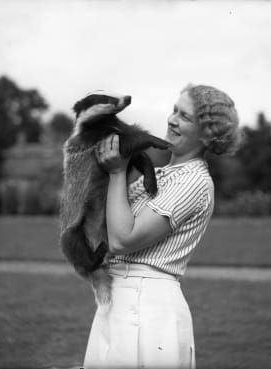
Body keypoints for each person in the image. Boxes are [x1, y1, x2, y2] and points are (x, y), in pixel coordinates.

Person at [84, 84, 242, 369]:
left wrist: (118, 172)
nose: (171, 119)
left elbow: (122, 239)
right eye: (174, 110)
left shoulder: (194, 182)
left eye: (185, 116)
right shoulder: (157, 174)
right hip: (120, 299)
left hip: (148, 306)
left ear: (207, 134)